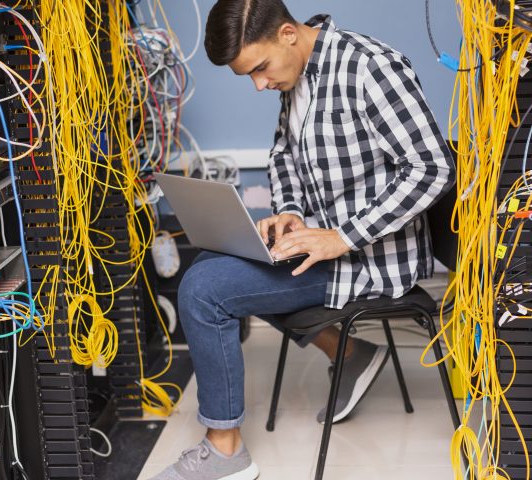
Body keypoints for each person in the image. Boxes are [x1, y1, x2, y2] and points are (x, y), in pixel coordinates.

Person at [151, 1, 454, 478]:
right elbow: (284, 154)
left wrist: (342, 237)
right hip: (325, 241)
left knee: (204, 289)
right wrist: (290, 212)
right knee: (223, 256)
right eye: (248, 76)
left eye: (260, 69)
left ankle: (226, 453)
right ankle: (349, 352)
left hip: (370, 257)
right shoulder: (301, 73)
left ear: (288, 34)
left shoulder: (369, 67)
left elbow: (432, 167)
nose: (259, 84)